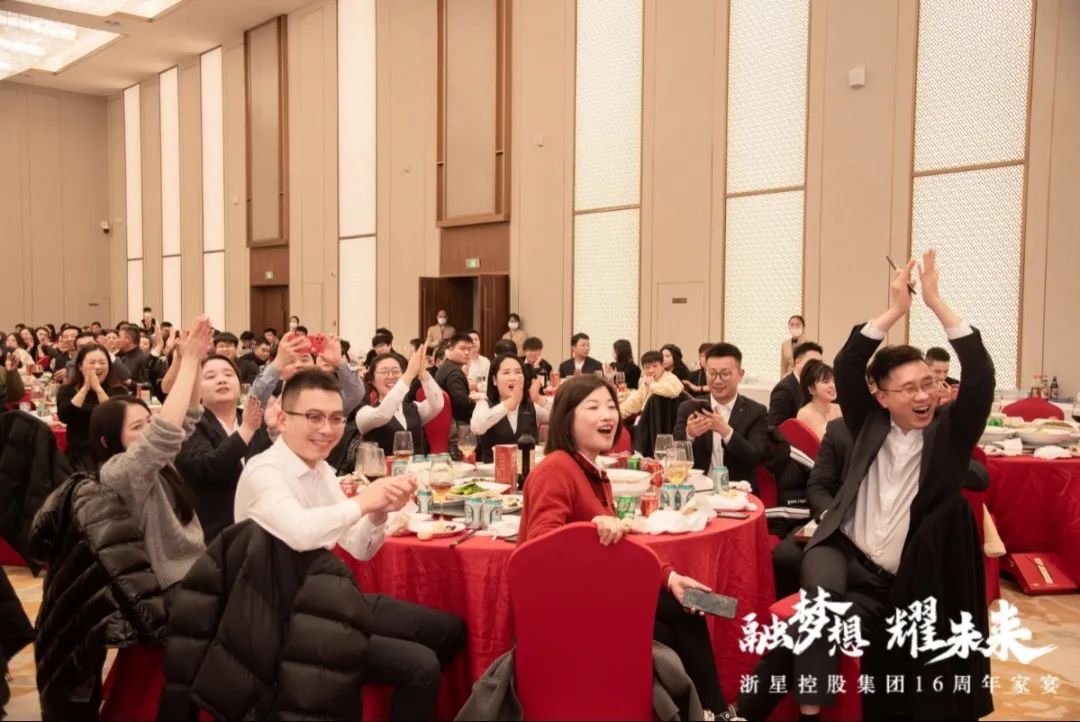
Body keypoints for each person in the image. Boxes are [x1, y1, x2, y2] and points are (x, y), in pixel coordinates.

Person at [791, 250, 994, 720]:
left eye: (929, 385)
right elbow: (848, 365)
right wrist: (896, 309)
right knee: (811, 629)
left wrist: (935, 302)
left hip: (917, 582)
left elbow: (981, 375)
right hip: (858, 568)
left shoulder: (949, 436)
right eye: (909, 388)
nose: (923, 396)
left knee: (917, 691)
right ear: (881, 397)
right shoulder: (869, 426)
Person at [234, 368, 467, 721]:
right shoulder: (264, 472)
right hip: (282, 620)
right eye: (314, 417)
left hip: (329, 602)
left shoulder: (321, 472)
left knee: (449, 631)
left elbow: (359, 547)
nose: (327, 429)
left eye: (335, 419)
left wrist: (378, 513)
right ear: (282, 419)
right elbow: (300, 531)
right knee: (420, 666)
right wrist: (364, 501)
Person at [519, 375, 732, 717]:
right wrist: (591, 528)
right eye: (593, 407)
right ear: (566, 418)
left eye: (610, 406)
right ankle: (711, 713)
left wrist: (670, 579)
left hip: (598, 597)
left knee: (691, 603)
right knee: (674, 624)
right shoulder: (556, 469)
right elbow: (539, 553)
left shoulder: (592, 470)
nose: (607, 415)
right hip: (571, 613)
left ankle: (711, 712)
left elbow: (619, 549)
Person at [90, 316, 214, 598]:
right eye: (137, 427)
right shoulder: (117, 472)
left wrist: (193, 361)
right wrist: (189, 362)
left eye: (149, 422)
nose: (147, 431)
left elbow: (188, 416)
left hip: (195, 569)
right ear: (107, 440)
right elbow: (163, 433)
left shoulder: (158, 462)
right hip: (166, 587)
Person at [175, 354, 272, 543]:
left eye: (228, 374)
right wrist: (246, 430)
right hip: (214, 534)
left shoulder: (250, 419)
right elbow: (209, 467)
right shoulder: (189, 425)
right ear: (196, 389)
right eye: (210, 376)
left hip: (259, 528)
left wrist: (275, 434)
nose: (221, 380)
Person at [673, 343, 770, 484]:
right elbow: (673, 456)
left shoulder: (756, 412)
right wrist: (689, 434)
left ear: (740, 374)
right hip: (696, 489)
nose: (717, 381)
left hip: (736, 491)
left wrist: (726, 432)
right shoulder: (689, 408)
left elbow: (756, 458)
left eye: (725, 374)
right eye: (712, 373)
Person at [357, 344, 444, 457]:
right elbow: (383, 414)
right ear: (372, 380)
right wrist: (409, 374)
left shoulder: (415, 409)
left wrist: (422, 372)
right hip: (384, 468)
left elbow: (437, 404)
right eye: (384, 372)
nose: (391, 376)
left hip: (418, 467)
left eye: (396, 371)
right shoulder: (364, 413)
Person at [251, 333, 366, 416]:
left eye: (304, 359)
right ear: (281, 370)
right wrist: (276, 365)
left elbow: (356, 393)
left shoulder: (328, 396)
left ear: (315, 365)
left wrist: (339, 362)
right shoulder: (272, 396)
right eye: (290, 361)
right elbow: (253, 401)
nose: (298, 365)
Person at [57, 343, 131, 471]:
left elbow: (115, 417)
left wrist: (98, 389)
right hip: (78, 457)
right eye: (92, 363)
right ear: (80, 366)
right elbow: (65, 416)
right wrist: (85, 388)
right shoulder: (67, 389)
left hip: (112, 456)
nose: (97, 367)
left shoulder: (119, 390)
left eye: (102, 362)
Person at [470, 354, 551, 462]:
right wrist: (510, 403)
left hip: (527, 470)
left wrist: (539, 399)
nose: (513, 378)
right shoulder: (484, 404)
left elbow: (560, 416)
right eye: (506, 373)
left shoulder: (529, 406)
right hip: (492, 470)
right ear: (494, 380)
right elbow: (477, 427)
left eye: (518, 372)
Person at [767, 341, 824, 427]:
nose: (818, 367)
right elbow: (775, 426)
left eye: (820, 363)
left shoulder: (818, 386)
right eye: (813, 362)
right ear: (797, 362)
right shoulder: (783, 389)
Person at [618, 350, 684, 419]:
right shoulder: (647, 382)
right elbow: (634, 402)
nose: (651, 370)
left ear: (662, 365)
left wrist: (652, 385)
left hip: (663, 422)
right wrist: (617, 413)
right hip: (645, 419)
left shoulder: (671, 378)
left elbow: (674, 391)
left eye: (655, 366)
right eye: (647, 367)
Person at [434, 333, 476, 425]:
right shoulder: (454, 372)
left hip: (447, 420)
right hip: (456, 424)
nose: (467, 353)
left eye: (469, 349)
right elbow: (461, 400)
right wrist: (478, 404)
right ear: (451, 349)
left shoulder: (447, 366)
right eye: (462, 349)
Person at [794, 359, 843, 439]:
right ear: (811, 389)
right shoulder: (804, 414)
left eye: (834, 381)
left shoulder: (839, 409)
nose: (833, 386)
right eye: (826, 382)